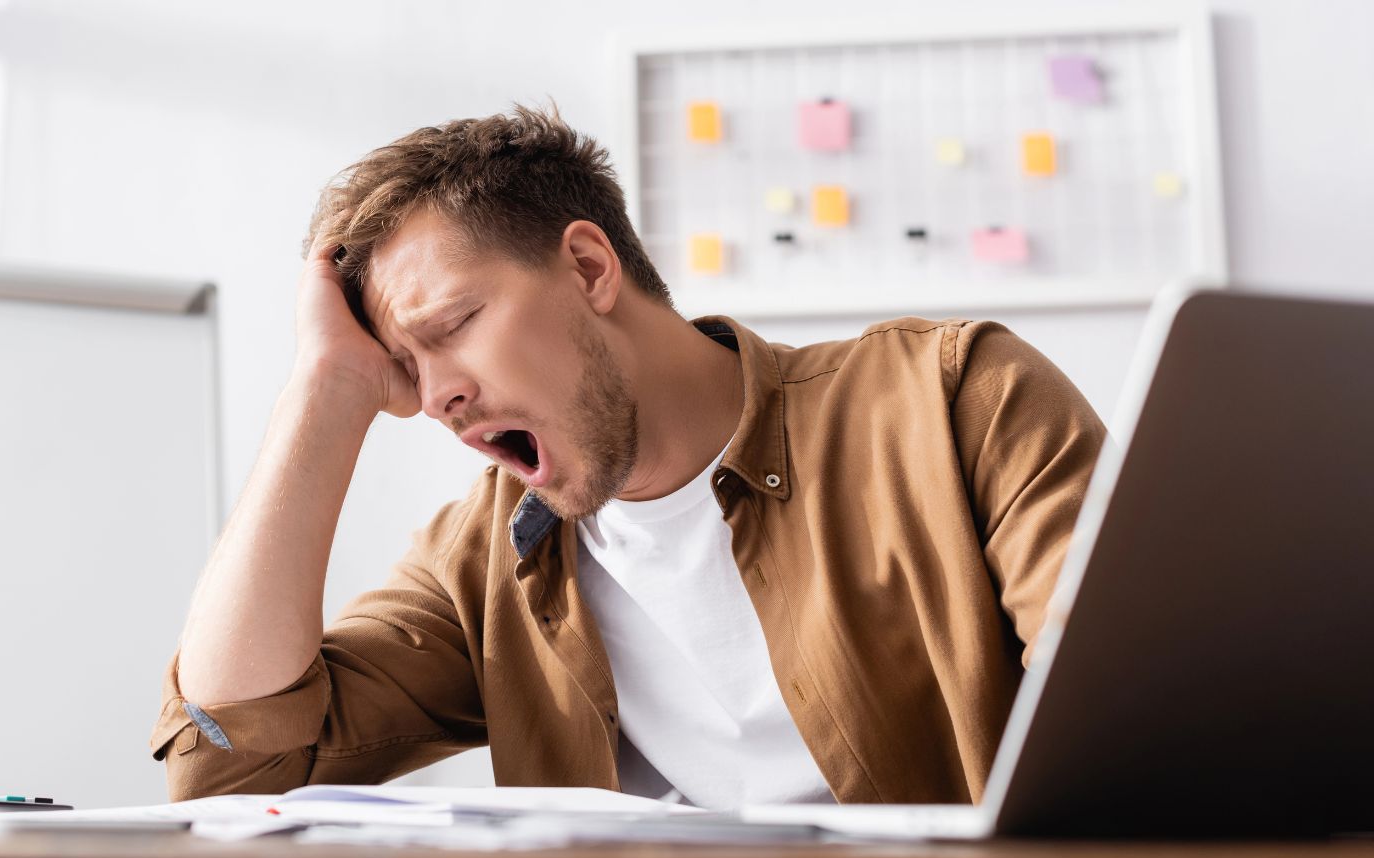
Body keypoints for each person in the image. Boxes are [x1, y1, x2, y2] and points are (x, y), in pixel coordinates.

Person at [150, 105, 1107, 808]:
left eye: (451, 327)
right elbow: (233, 766)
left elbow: (1131, 725)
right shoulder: (480, 559)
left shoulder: (951, 402)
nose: (433, 396)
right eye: (401, 369)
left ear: (589, 268)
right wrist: (324, 393)